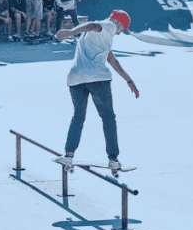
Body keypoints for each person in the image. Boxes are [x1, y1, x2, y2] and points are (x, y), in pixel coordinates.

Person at [54, 10, 139, 172]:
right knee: (108, 118)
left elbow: (111, 59)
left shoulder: (104, 38)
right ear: (118, 23)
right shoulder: (109, 26)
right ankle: (113, 159)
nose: (120, 33)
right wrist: (69, 33)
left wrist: (128, 79)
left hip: (76, 79)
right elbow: (93, 25)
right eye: (122, 29)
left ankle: (68, 156)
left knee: (78, 116)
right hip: (98, 79)